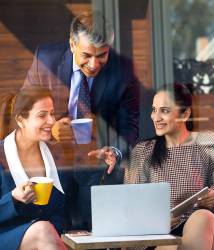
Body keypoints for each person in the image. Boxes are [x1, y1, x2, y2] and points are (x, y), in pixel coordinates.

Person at [0, 86, 116, 250]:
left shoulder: (58, 152)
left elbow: (80, 196)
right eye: (42, 115)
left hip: (54, 237)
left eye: (52, 113)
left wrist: (95, 163)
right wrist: (13, 198)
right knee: (42, 230)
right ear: (20, 120)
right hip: (8, 236)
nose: (52, 121)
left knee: (49, 231)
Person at [124, 83, 214, 250]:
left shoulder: (206, 141)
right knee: (169, 247)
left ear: (185, 114)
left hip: (200, 227)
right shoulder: (142, 151)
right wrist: (157, 223)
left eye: (164, 111)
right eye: (154, 110)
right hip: (158, 235)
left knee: (203, 218)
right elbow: (130, 207)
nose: (156, 117)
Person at [24, 10, 140, 155]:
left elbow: (129, 127)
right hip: (53, 160)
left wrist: (114, 152)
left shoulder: (124, 71)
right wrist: (50, 129)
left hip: (100, 163)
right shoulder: (46, 61)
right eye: (86, 55)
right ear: (72, 45)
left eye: (101, 55)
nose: (93, 65)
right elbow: (24, 112)